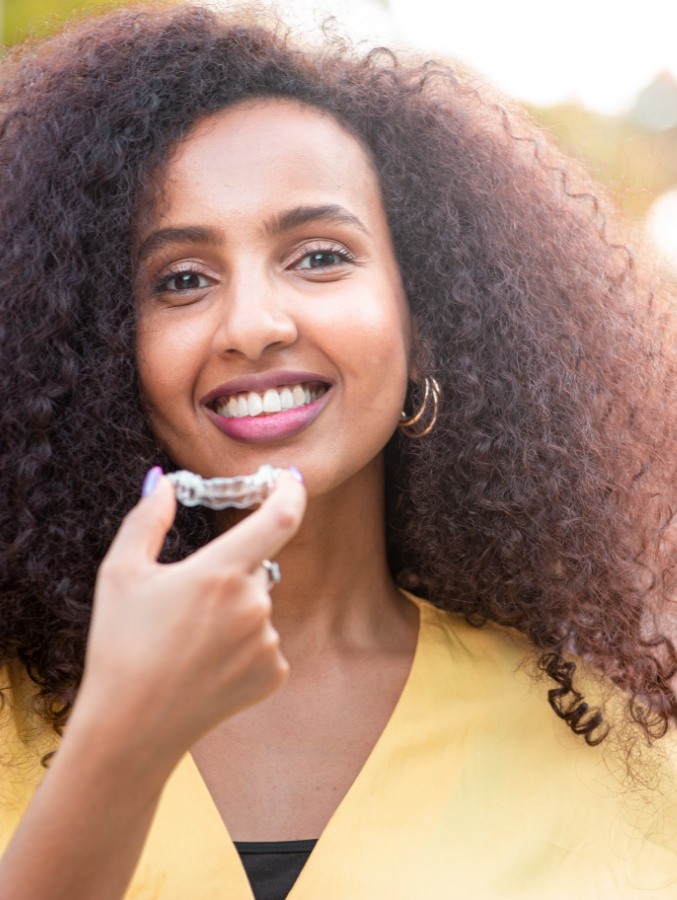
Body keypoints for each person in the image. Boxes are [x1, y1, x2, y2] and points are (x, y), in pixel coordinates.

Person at [0, 4, 676, 897]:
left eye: (318, 256)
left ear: (422, 314)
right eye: (181, 280)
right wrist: (119, 742)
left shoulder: (619, 742)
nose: (252, 325)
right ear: (94, 347)